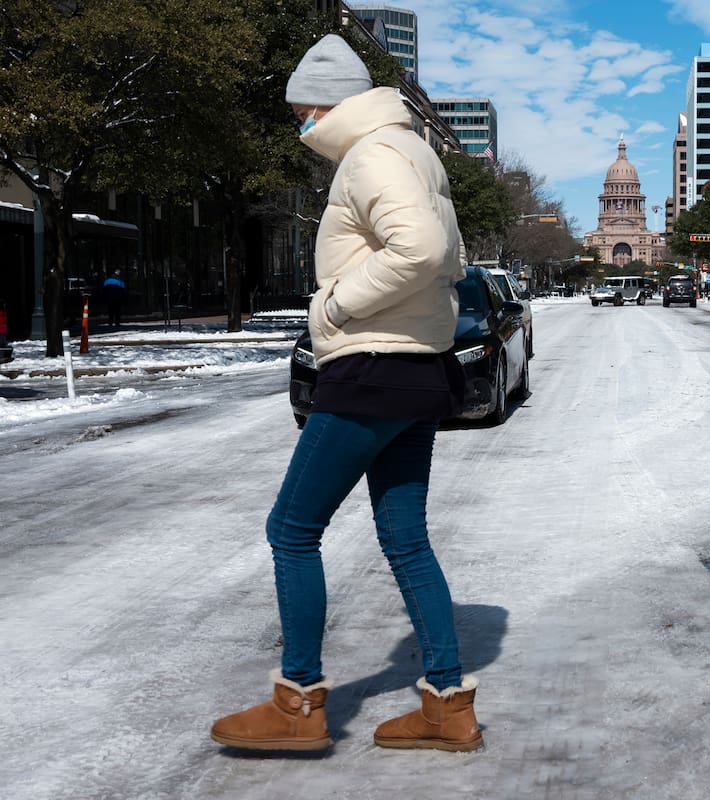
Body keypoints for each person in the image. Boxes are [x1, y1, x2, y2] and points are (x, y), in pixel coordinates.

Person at [210, 34, 480, 753]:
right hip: (418, 368)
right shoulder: (417, 152)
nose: (301, 126)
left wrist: (333, 308)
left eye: (303, 112)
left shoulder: (372, 154)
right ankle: (446, 705)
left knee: (291, 530)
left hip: (370, 369)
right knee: (405, 538)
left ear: (327, 103)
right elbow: (450, 256)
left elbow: (421, 251)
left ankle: (298, 703)